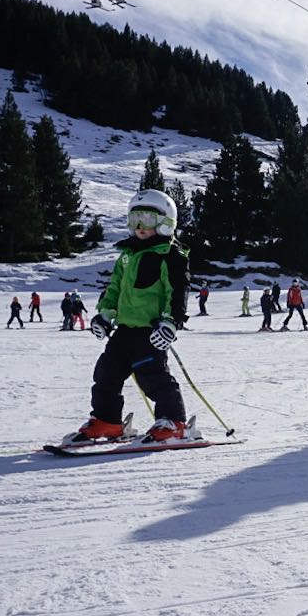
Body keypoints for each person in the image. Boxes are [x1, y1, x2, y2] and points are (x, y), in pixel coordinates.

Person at [69, 188, 196, 444]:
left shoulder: (169, 255)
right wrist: (105, 315)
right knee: (106, 373)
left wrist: (170, 322)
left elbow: (177, 290)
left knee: (152, 377)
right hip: (124, 329)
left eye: (147, 219)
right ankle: (108, 421)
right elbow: (115, 288)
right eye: (135, 219)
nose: (140, 226)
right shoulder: (127, 255)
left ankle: (174, 423)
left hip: (150, 330)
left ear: (165, 222)